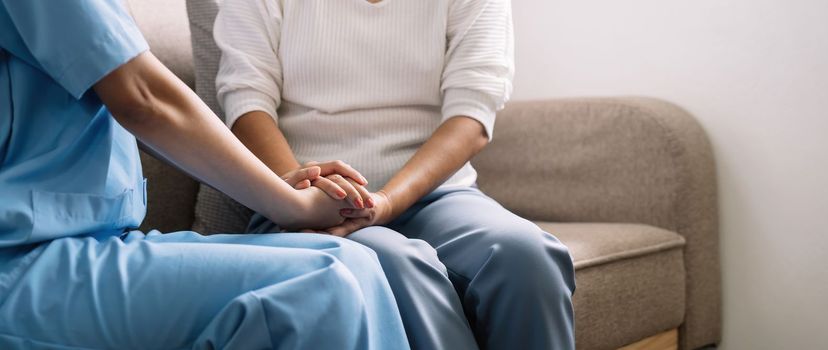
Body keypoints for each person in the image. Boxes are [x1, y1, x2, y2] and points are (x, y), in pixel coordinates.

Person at [0, 0, 410, 349]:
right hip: (22, 261)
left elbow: (122, 105)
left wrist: (272, 191)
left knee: (354, 260)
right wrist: (293, 205)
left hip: (83, 244)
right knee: (322, 286)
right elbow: (143, 100)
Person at [214, 0, 577, 349]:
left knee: (527, 256)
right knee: (397, 265)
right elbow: (247, 104)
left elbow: (472, 115)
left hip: (438, 195)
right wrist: (301, 198)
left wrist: (386, 202)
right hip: (309, 198)